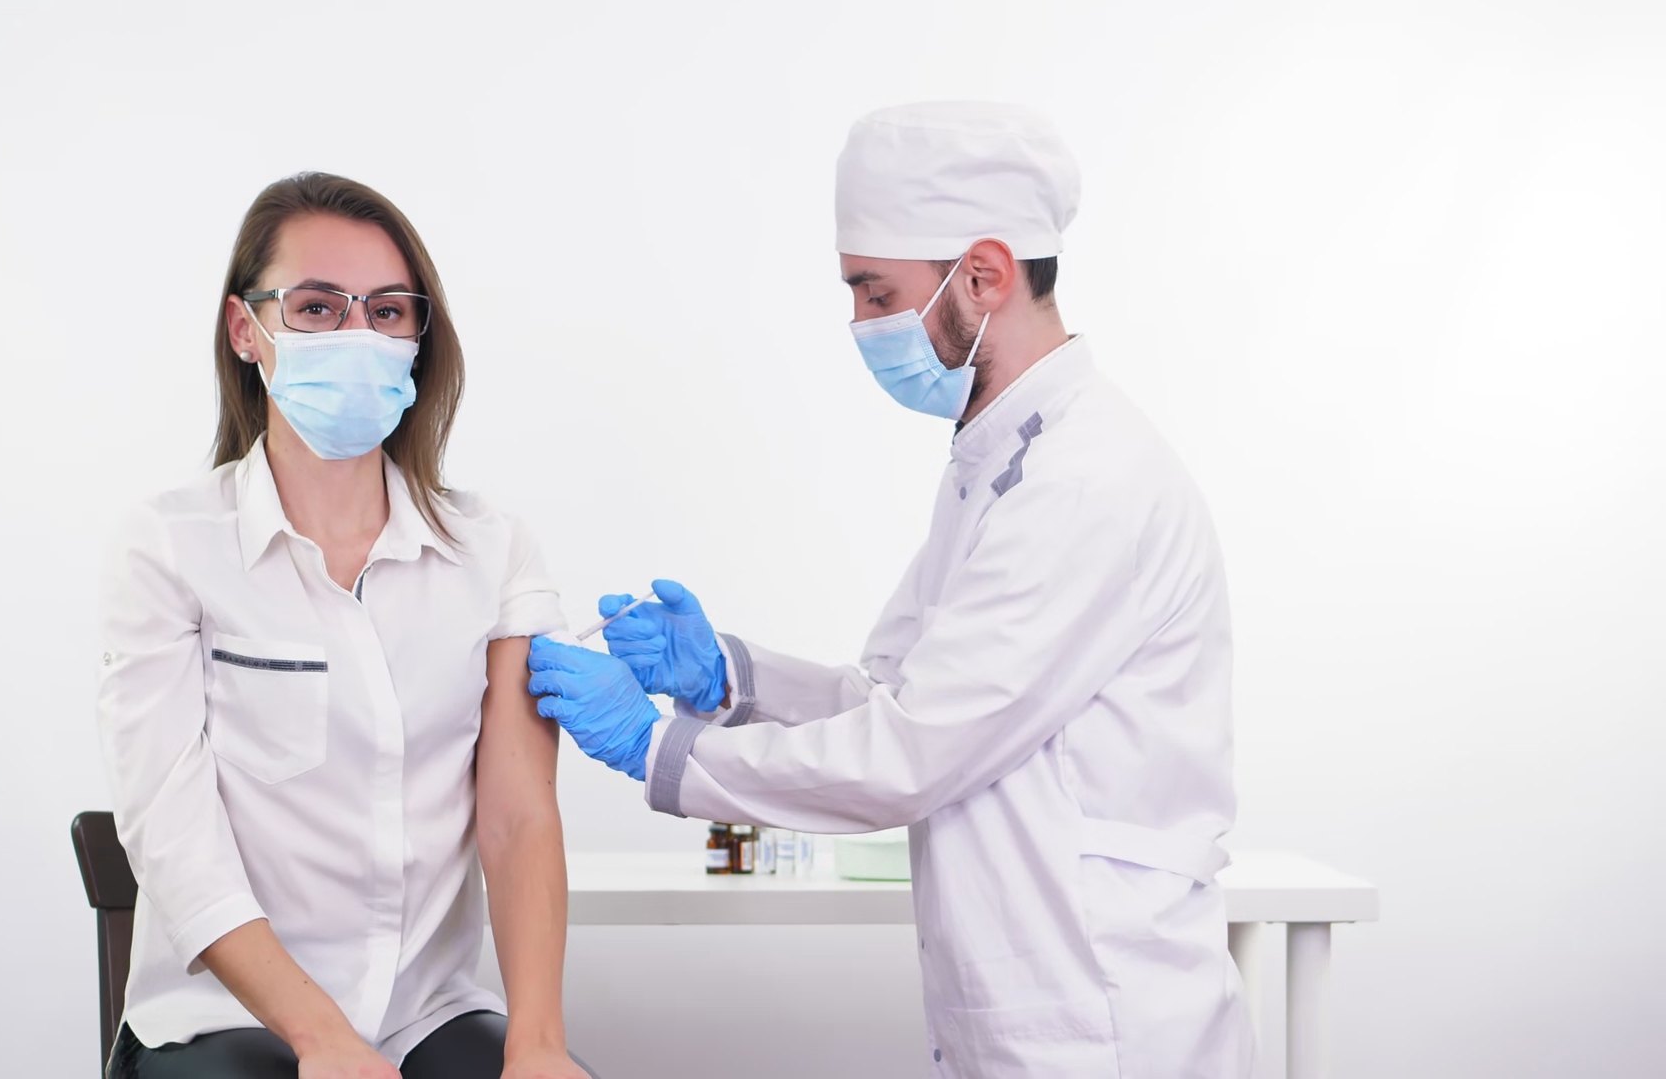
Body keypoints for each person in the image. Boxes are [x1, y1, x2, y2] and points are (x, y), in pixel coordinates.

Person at [528, 104, 1255, 1077]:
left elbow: (908, 756)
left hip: (1105, 1020)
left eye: (877, 293)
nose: (863, 325)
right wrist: (731, 679)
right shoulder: (1001, 465)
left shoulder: (1085, 483)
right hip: (1045, 1010)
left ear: (984, 275)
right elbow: (897, 700)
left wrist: (657, 747)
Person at [96, 172, 592, 1079]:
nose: (357, 335)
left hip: (426, 1015)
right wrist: (321, 1038)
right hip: (221, 1022)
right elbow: (173, 834)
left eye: (388, 311)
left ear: (417, 338)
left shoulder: (494, 550)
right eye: (318, 308)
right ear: (246, 329)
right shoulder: (169, 545)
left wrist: (538, 1044)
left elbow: (519, 819)